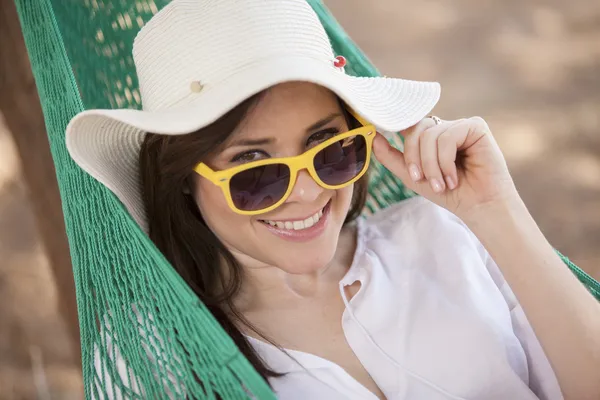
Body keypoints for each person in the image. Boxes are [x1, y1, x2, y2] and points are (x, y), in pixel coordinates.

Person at [65, 0, 600, 399]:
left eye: (329, 148)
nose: (306, 191)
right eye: (255, 169)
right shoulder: (153, 350)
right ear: (184, 177)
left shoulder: (444, 234)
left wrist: (496, 214)